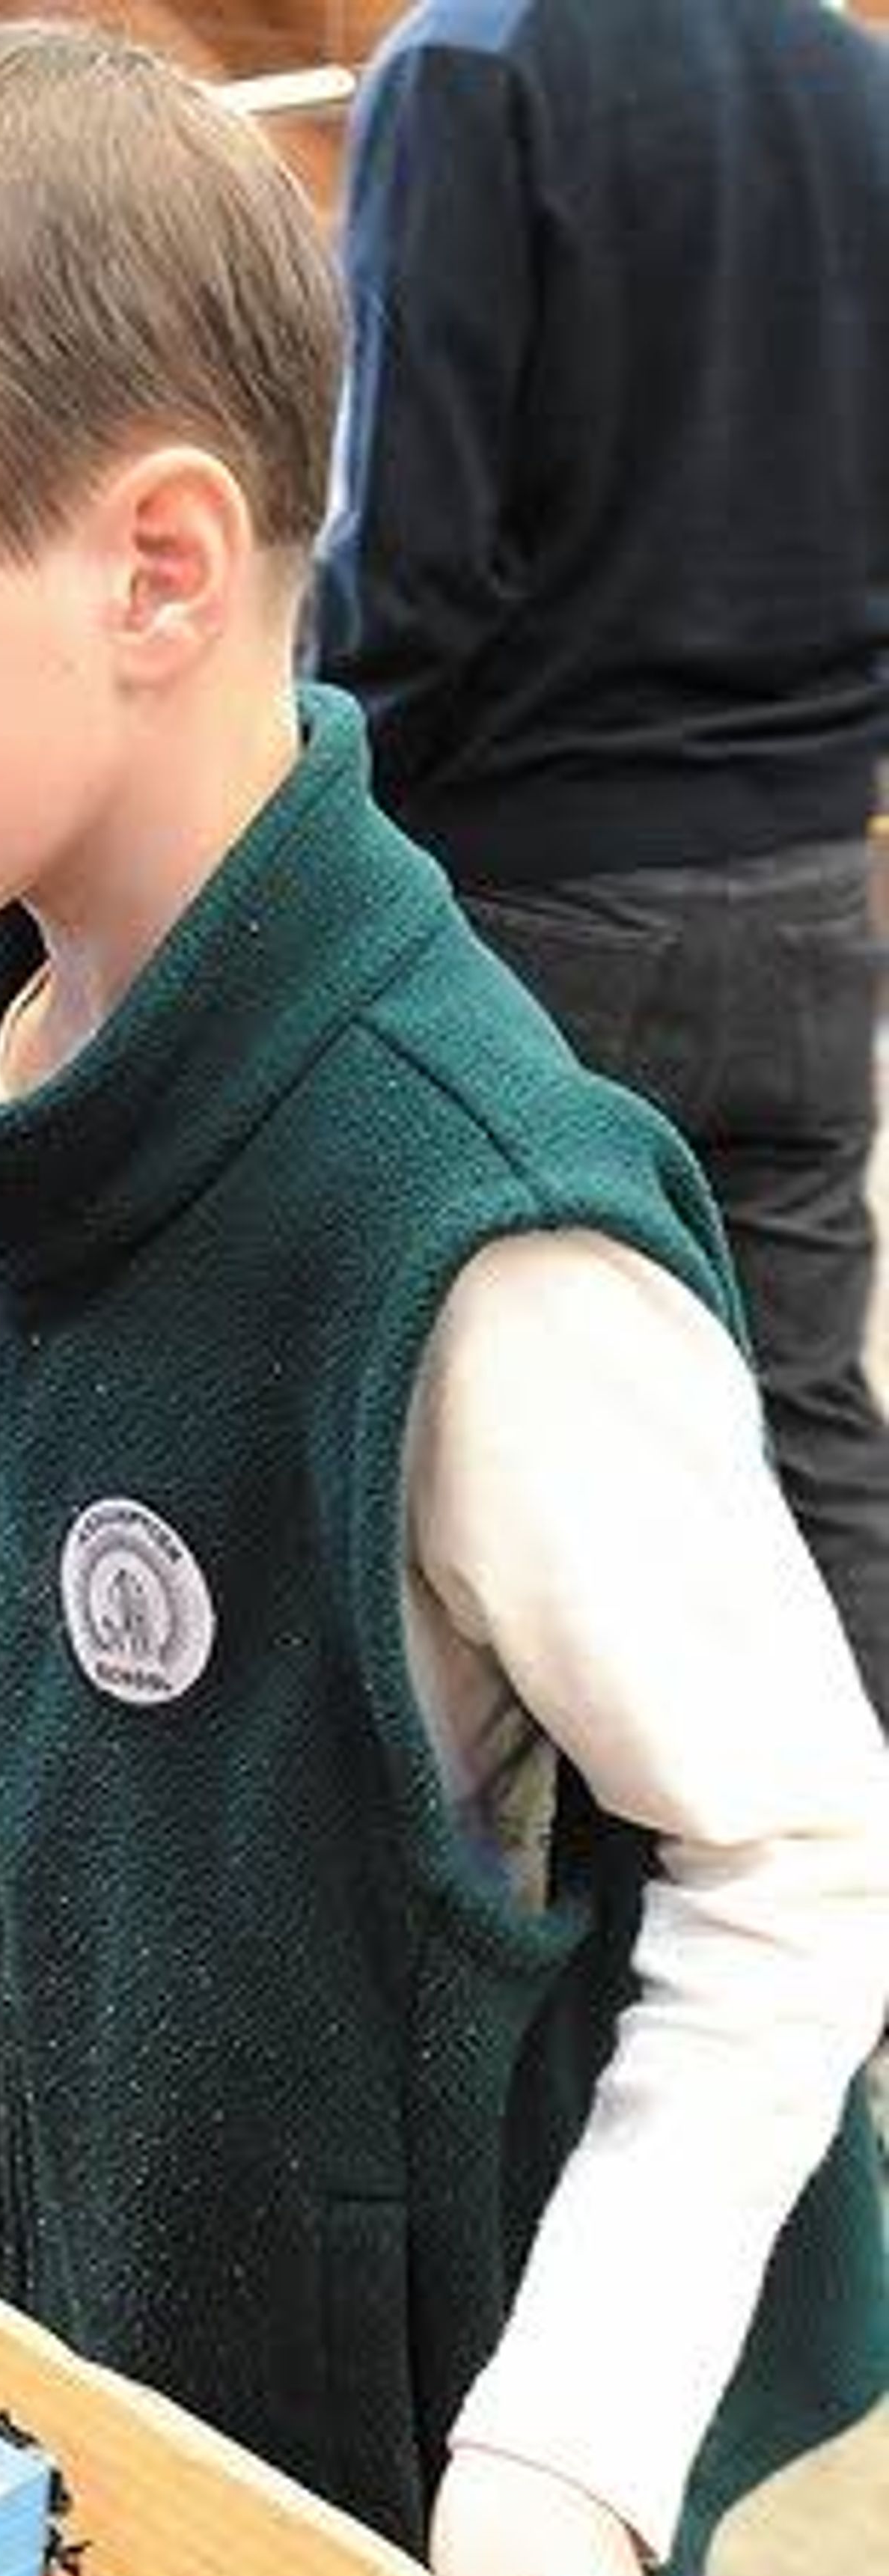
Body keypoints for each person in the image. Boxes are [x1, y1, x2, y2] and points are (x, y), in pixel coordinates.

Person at [0, 24, 889, 2576]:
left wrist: (573, 2431)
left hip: (406, 2469)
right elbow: (62, 1401)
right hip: (100, 2323)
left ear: (158, 568)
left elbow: (800, 1841)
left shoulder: (471, 1237)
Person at [314, 0, 889, 1726]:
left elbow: (409, 560)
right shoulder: (849, 82)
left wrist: (293, 785)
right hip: (802, 877)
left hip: (533, 905)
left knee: (479, 1469)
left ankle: (526, 1974)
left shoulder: (469, 65)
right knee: (798, 1432)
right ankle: (847, 1937)